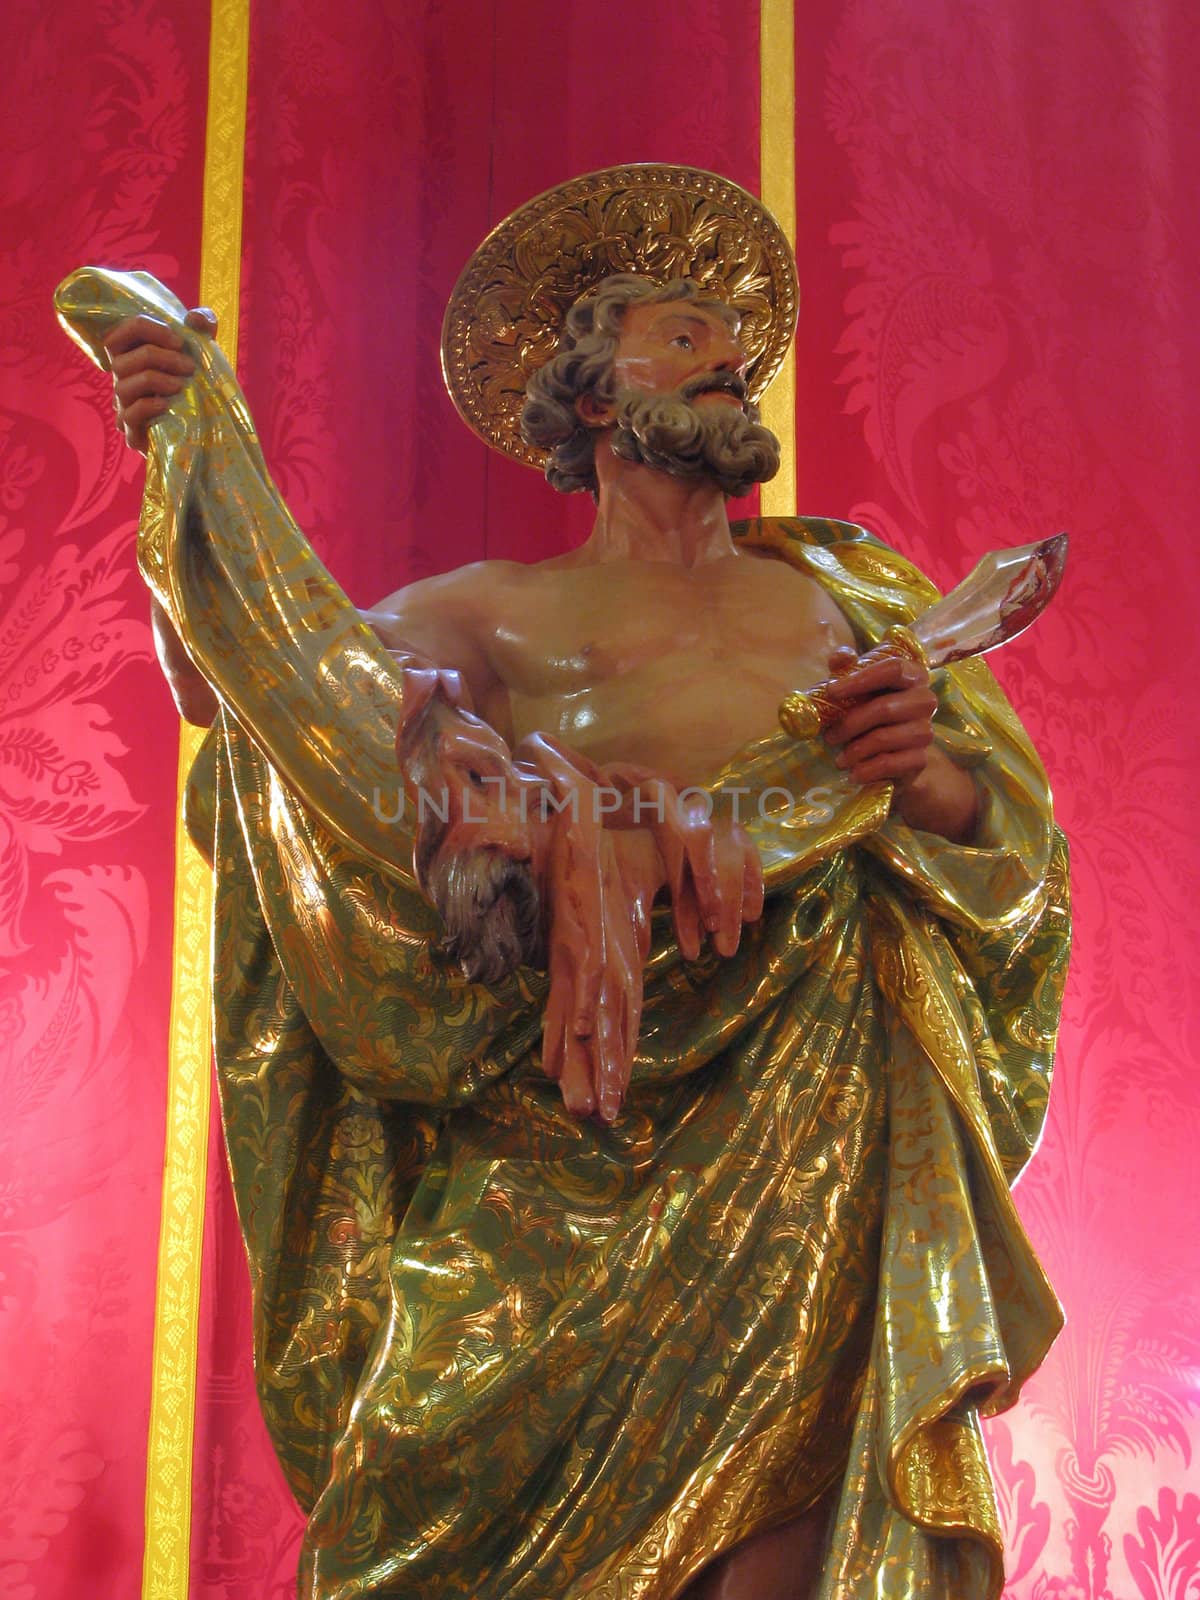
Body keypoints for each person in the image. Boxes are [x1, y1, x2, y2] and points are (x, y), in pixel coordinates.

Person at [63, 167, 1069, 1600]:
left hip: (806, 1109)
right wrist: (194, 473)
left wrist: (925, 775)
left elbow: (1013, 860)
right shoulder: (488, 615)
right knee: (428, 1507)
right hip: (560, 1122)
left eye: (741, 342)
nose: (735, 358)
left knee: (779, 1533)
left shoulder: (858, 600)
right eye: (689, 334)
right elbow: (288, 720)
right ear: (595, 397)